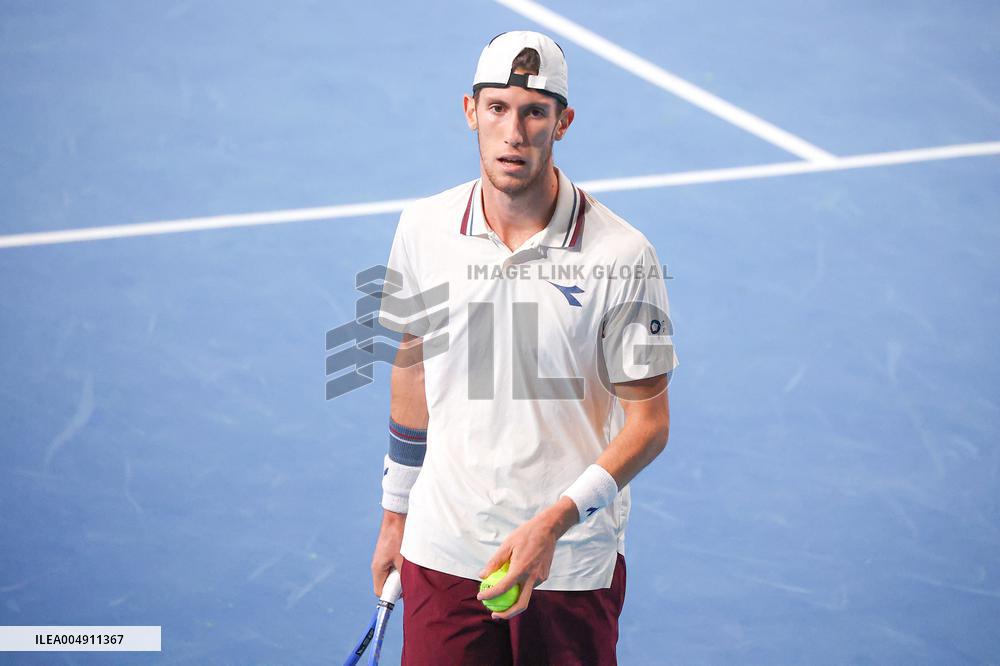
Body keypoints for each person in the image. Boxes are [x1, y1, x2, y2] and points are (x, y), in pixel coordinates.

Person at [371, 30, 677, 664]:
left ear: (562, 122)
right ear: (469, 112)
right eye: (498, 108)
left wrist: (553, 523)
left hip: (566, 566)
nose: (515, 131)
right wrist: (396, 514)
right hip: (444, 547)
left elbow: (648, 423)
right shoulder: (422, 229)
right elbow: (411, 368)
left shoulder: (623, 256)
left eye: (535, 112)